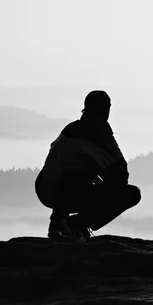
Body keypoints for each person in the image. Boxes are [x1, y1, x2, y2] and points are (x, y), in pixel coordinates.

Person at [35, 90, 141, 243]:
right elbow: (120, 174)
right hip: (66, 192)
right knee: (132, 194)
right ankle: (76, 225)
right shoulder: (99, 134)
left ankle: (57, 224)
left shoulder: (70, 129)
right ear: (106, 110)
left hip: (44, 188)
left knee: (76, 171)